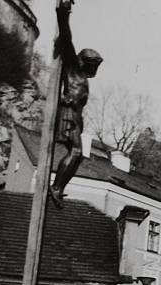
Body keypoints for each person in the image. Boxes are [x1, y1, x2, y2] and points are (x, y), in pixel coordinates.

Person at [50, 0, 103, 208]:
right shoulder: (73, 69)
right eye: (93, 66)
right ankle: (56, 187)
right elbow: (66, 38)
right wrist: (64, 12)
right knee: (76, 152)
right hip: (67, 113)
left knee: (78, 155)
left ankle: (59, 187)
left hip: (76, 118)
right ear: (85, 62)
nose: (94, 71)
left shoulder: (83, 78)